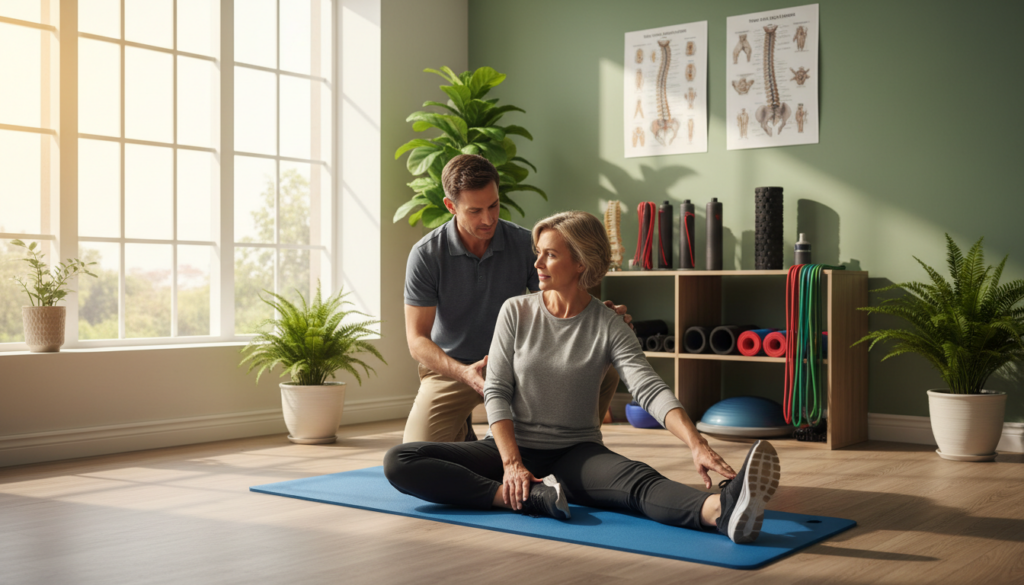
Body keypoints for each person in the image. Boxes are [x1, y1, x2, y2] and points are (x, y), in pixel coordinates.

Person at [386, 211, 783, 544]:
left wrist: (696, 444)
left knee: (637, 482)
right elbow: (497, 390)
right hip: (510, 446)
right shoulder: (515, 311)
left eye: (550, 255)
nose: (537, 264)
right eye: (537, 254)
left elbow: (648, 388)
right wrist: (512, 465)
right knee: (401, 460)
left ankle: (723, 509)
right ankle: (519, 498)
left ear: (581, 263)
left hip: (576, 452)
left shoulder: (609, 324)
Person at [403, 155, 626, 444]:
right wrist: (464, 373)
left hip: (521, 362)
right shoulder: (426, 254)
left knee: (604, 364)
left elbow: (560, 300)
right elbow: (417, 340)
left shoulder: (524, 243)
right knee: (418, 454)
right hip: (454, 369)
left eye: (493, 205)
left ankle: (574, 446)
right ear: (450, 206)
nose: (488, 219)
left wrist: (598, 316)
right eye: (475, 211)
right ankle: (465, 435)